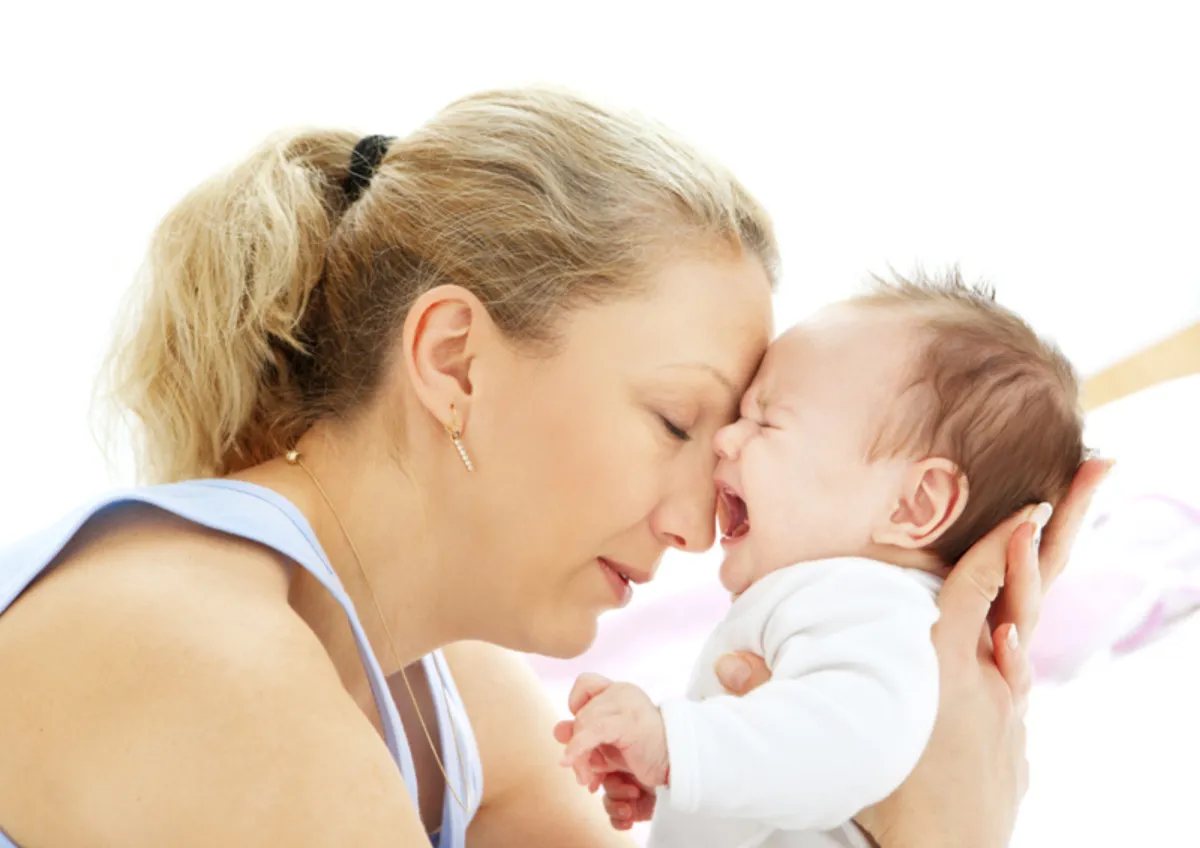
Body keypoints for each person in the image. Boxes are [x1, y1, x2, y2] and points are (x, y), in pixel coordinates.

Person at [0, 87, 1110, 847]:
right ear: (452, 359)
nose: (696, 522)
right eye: (678, 422)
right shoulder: (188, 647)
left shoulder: (457, 701)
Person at [557, 270, 1086, 847]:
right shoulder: (854, 607)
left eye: (765, 420)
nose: (725, 440)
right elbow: (794, 756)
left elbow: (846, 745)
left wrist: (673, 745)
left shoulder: (871, 602)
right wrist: (675, 777)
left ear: (915, 504)